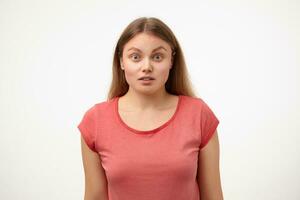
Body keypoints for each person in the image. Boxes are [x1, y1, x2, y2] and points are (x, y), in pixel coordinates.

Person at [77, 17, 224, 200]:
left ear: (171, 61)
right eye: (135, 57)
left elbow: (213, 196)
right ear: (122, 62)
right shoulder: (95, 121)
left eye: (157, 57)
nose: (146, 67)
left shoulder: (199, 115)